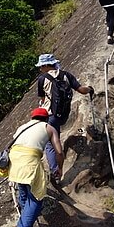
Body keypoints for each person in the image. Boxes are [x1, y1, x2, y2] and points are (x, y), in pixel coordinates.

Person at [9, 107, 63, 227]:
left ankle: (24, 214)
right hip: (30, 161)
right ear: (46, 118)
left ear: (32, 117)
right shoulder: (49, 128)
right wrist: (59, 168)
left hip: (15, 162)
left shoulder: (21, 127)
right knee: (36, 198)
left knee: (24, 190)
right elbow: (59, 152)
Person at [35, 54, 94, 183]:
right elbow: (81, 90)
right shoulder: (66, 75)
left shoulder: (42, 79)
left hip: (50, 116)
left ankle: (56, 171)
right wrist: (90, 89)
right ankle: (58, 169)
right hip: (63, 115)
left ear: (45, 65)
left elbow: (43, 99)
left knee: (50, 145)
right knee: (56, 137)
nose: (40, 69)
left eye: (41, 66)